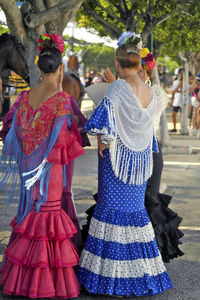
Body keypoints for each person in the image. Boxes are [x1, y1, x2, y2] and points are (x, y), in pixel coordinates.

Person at [78, 32, 173, 297]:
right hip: (139, 163)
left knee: (109, 211)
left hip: (116, 162)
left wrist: (104, 140)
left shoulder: (118, 87)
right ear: (140, 66)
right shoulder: (153, 93)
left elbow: (99, 120)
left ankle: (108, 278)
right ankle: (139, 275)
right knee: (134, 215)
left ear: (118, 65)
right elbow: (145, 126)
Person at [0, 33, 85, 299]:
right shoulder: (61, 100)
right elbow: (65, 140)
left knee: (28, 218)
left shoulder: (24, 98)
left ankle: (22, 280)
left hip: (28, 169)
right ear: (60, 68)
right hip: (50, 173)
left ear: (38, 68)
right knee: (48, 219)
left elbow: (14, 133)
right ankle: (45, 282)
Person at [169, 68, 184, 132]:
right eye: (180, 73)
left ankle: (182, 128)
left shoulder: (186, 82)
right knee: (173, 114)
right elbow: (173, 91)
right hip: (177, 100)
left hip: (183, 100)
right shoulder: (175, 82)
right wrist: (171, 100)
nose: (181, 74)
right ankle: (174, 128)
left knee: (182, 115)